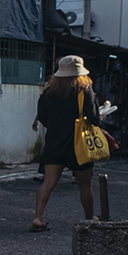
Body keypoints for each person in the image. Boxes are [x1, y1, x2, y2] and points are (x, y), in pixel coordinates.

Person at [30, 55, 100, 231]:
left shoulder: (48, 93)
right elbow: (94, 119)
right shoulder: (85, 91)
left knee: (48, 183)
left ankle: (38, 218)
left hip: (55, 142)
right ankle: (89, 218)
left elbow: (43, 118)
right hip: (79, 145)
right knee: (85, 184)